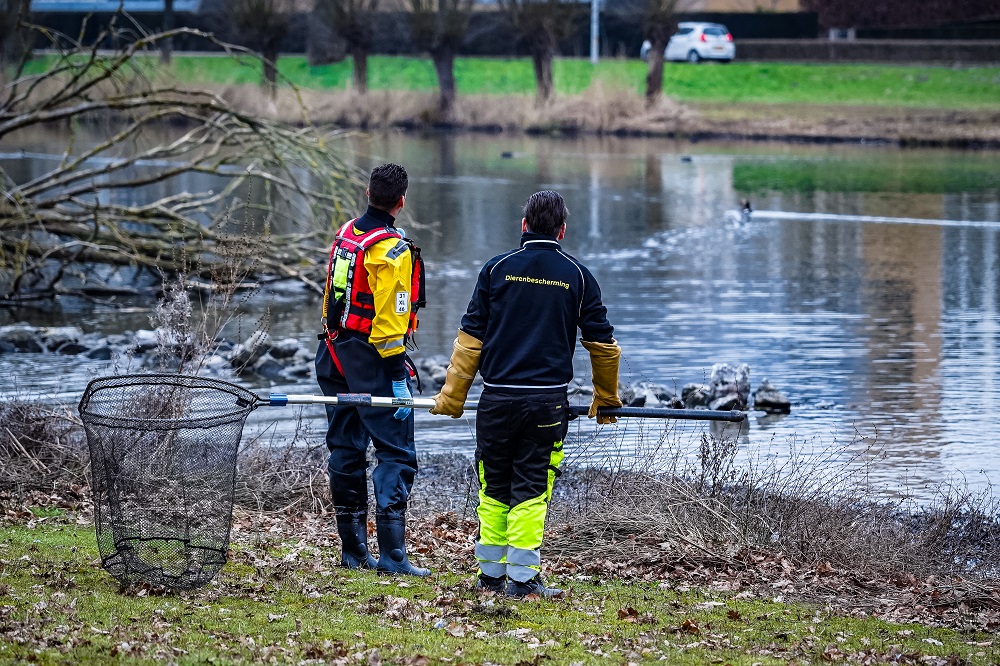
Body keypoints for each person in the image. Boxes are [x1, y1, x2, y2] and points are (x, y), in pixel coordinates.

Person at [430, 190, 622, 598]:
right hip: (546, 403)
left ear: (523, 226)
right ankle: (522, 580)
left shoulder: (496, 269)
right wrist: (606, 398)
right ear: (562, 231)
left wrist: (453, 396)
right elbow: (602, 344)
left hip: (496, 399)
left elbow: (470, 339)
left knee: (493, 486)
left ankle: (490, 576)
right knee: (531, 488)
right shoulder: (578, 275)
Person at [315, 163, 429, 577]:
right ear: (401, 201)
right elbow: (391, 323)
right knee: (396, 452)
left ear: (367, 192)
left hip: (332, 353)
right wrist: (399, 379)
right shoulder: (392, 252)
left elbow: (335, 300)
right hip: (372, 362)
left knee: (345, 449)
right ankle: (394, 558)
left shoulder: (347, 234)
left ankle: (353, 552)